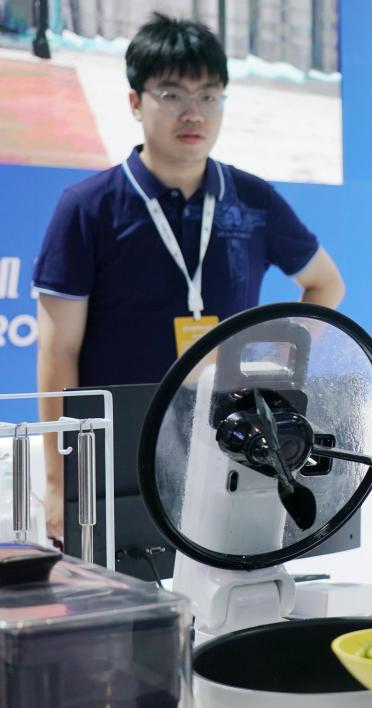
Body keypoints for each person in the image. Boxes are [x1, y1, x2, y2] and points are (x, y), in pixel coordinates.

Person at [33, 13, 344, 539]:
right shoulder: (88, 208)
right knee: (129, 587)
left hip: (227, 440)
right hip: (118, 443)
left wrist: (271, 355)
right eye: (172, 95)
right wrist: (61, 480)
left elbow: (325, 284)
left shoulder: (252, 200)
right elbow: (58, 351)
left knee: (232, 580)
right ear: (136, 102)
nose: (193, 112)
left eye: (208, 96)